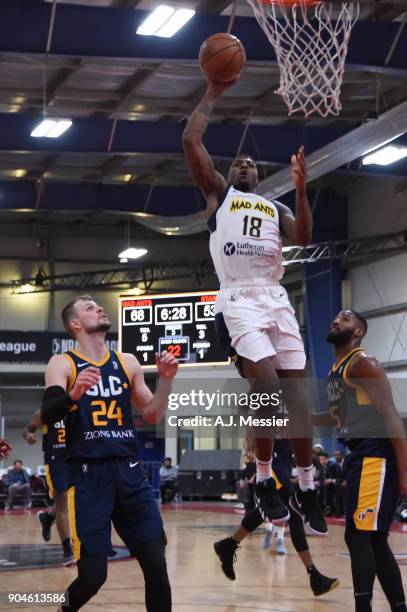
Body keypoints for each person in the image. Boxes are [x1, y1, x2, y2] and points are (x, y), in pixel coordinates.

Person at [182, 80, 327, 536]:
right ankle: (263, 478)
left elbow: (303, 238)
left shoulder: (273, 207)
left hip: (275, 297)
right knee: (264, 380)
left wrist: (302, 189)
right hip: (239, 295)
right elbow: (190, 140)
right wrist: (212, 91)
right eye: (237, 163)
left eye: (250, 163)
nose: (243, 165)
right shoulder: (219, 196)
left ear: (259, 176)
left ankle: (305, 487)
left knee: (298, 397)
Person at [40, 295, 178, 612]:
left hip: (130, 473)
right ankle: (64, 608)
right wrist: (73, 394)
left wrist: (167, 382)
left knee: (157, 566)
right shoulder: (62, 363)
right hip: (89, 478)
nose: (99, 308)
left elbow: (153, 414)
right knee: (93, 577)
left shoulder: (127, 362)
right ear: (75, 324)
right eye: (89, 307)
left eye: (98, 306)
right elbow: (49, 413)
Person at [313, 309, 407, 612]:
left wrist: (405, 472)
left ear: (358, 333)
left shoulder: (364, 364)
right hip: (360, 454)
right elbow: (336, 418)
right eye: (336, 316)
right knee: (374, 540)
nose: (336, 320)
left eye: (345, 318)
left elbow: (392, 416)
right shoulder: (337, 370)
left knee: (358, 536)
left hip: (375, 453)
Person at [214, 438, 339, 597]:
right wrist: (251, 438)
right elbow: (259, 419)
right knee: (292, 513)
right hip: (272, 461)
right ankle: (314, 575)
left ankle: (228, 545)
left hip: (284, 457)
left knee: (264, 512)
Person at [23, 410, 74, 566]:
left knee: (76, 501)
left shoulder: (80, 407)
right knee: (63, 502)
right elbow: (27, 429)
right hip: (56, 460)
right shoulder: (46, 411)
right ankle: (67, 549)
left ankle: (48, 517)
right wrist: (28, 436)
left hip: (77, 457)